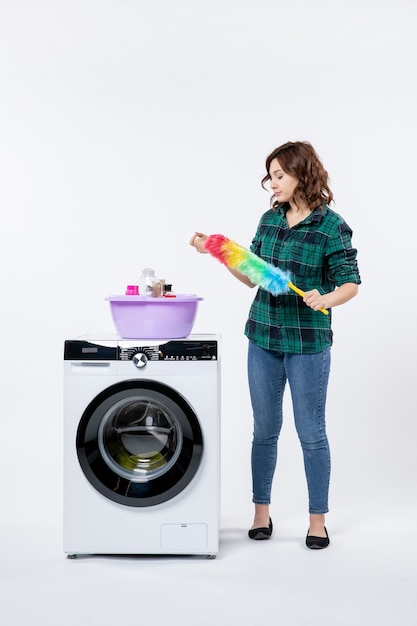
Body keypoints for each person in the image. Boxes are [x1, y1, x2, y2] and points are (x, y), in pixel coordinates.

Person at [189, 141, 361, 549]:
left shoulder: (331, 226)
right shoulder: (270, 220)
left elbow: (351, 283)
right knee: (264, 430)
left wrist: (325, 297)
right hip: (263, 336)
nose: (273, 182)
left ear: (302, 174)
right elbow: (253, 276)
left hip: (308, 343)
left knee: (311, 433)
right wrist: (217, 250)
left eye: (280, 175)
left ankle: (316, 521)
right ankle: (260, 513)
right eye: (271, 176)